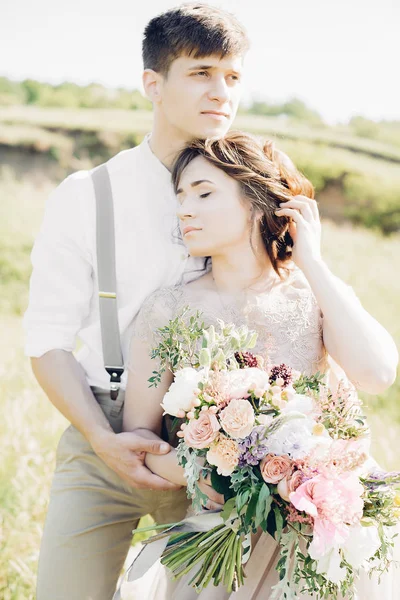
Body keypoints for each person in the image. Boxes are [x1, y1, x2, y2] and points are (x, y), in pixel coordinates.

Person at [22, 4, 251, 599]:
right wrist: (102, 438)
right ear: (153, 83)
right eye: (202, 73)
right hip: (101, 431)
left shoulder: (257, 194)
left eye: (233, 77)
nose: (221, 92)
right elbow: (46, 338)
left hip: (225, 446)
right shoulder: (87, 194)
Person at [120, 131, 399, 599]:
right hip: (224, 541)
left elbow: (377, 375)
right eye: (181, 196)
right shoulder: (167, 310)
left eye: (204, 193)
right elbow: (141, 442)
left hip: (327, 537)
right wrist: (218, 477)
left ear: (256, 202)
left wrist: (312, 261)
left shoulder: (314, 294)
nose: (185, 209)